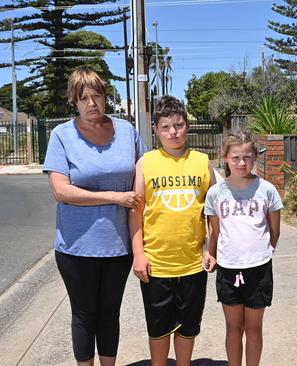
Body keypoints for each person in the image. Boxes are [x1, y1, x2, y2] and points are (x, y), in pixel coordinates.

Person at [43, 67, 148, 365]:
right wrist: (114, 197)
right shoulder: (62, 135)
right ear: (73, 102)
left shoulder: (127, 132)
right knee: (84, 313)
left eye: (97, 96)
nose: (92, 103)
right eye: (84, 98)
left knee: (110, 313)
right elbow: (61, 191)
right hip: (76, 247)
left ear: (105, 97)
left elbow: (145, 174)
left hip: (118, 246)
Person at [129, 95, 215, 366]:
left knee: (188, 326)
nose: (173, 132)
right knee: (158, 328)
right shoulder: (146, 162)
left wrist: (211, 248)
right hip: (156, 264)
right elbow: (136, 212)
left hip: (192, 263)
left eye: (178, 125)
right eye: (165, 127)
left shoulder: (202, 162)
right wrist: (138, 254)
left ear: (187, 126)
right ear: (156, 129)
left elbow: (213, 211)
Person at [203, 131, 283, 366]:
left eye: (247, 157)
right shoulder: (216, 193)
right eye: (235, 157)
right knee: (233, 327)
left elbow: (274, 232)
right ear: (225, 157)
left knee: (254, 327)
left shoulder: (267, 190)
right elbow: (215, 233)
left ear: (255, 157)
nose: (241, 163)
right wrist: (213, 255)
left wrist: (261, 253)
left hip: (258, 269)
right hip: (228, 269)